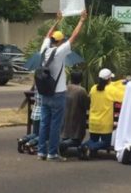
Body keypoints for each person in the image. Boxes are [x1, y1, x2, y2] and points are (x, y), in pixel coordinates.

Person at [37, 9, 87, 162]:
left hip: (44, 92)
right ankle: (52, 153)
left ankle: (41, 152)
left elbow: (47, 35)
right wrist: (82, 20)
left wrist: (57, 21)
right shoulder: (59, 52)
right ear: (59, 41)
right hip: (58, 93)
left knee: (44, 123)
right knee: (55, 125)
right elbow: (74, 37)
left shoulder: (44, 48)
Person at [78, 68, 124, 160]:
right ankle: (90, 148)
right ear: (109, 79)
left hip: (93, 121)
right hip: (105, 122)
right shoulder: (111, 90)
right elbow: (123, 96)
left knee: (93, 140)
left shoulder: (93, 88)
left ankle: (83, 146)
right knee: (106, 142)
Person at [59, 71, 90, 156]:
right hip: (77, 121)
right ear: (81, 79)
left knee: (64, 136)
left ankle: (61, 143)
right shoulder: (81, 91)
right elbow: (87, 105)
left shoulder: (65, 88)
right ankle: (64, 144)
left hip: (64, 120)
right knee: (76, 140)